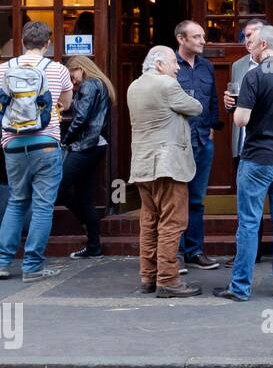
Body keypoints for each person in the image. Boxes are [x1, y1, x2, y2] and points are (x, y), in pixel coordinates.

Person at [216, 25, 273, 302]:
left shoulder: (253, 76)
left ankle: (240, 287)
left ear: (265, 44)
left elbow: (241, 120)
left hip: (257, 158)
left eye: (253, 42)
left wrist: (237, 106)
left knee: (249, 223)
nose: (250, 47)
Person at [0, 21, 73, 283]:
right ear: (47, 44)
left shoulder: (3, 69)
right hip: (45, 142)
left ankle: (1, 262)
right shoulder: (57, 70)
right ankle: (32, 266)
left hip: (13, 143)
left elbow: (0, 100)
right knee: (43, 206)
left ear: (22, 42)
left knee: (16, 200)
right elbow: (65, 104)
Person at [127, 45, 203, 297]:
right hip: (168, 165)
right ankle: (168, 280)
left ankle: (147, 277)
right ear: (159, 64)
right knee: (172, 223)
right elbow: (196, 108)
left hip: (142, 164)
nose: (177, 67)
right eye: (173, 62)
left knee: (149, 222)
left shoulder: (134, 86)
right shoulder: (167, 85)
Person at [174, 20, 222, 271]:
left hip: (203, 140)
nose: (203, 41)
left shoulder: (207, 67)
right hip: (178, 143)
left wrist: (212, 126)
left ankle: (194, 250)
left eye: (203, 36)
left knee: (197, 199)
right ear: (182, 39)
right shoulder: (169, 66)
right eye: (197, 37)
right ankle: (176, 253)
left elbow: (213, 99)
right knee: (176, 198)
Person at [60, 55, 115, 259]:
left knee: (59, 187)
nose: (72, 80)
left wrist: (65, 140)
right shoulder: (100, 84)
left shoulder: (89, 85)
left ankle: (89, 230)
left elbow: (81, 118)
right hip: (96, 144)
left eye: (72, 73)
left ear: (80, 68)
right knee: (84, 197)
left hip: (85, 145)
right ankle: (94, 245)